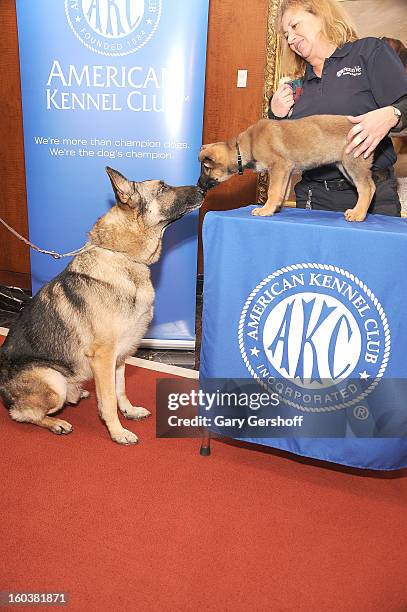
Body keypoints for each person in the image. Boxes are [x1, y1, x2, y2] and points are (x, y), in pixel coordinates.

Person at [268, 0, 407, 216]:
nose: (292, 39)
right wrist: (275, 114)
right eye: (286, 35)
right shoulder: (296, 86)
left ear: (321, 16)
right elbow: (283, 149)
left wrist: (393, 114)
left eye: (295, 26)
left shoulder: (368, 52)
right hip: (313, 196)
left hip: (373, 196)